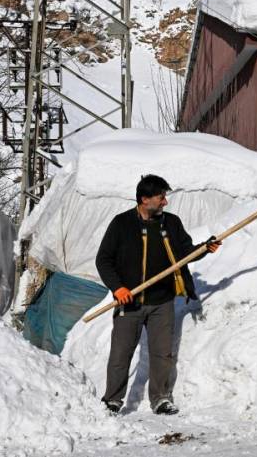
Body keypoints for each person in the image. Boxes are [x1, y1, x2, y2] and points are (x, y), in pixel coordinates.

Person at [95, 174, 221, 415]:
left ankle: (161, 398)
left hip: (161, 301)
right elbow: (103, 260)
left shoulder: (171, 224)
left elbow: (186, 252)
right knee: (121, 354)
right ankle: (112, 400)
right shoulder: (121, 224)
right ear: (144, 199)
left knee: (162, 353)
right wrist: (117, 288)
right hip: (129, 301)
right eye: (161, 197)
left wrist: (204, 248)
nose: (165, 202)